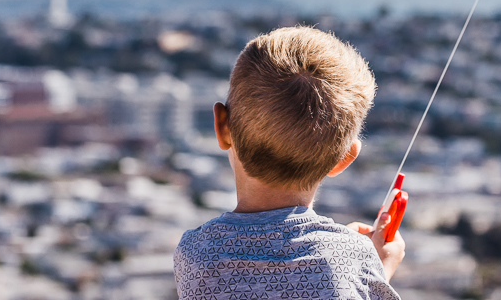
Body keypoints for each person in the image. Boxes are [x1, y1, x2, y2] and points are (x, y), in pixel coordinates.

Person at [174, 25, 405, 299]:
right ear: (343, 159)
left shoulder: (195, 252)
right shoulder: (354, 258)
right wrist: (377, 271)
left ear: (222, 127)